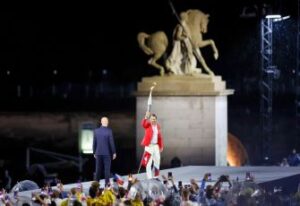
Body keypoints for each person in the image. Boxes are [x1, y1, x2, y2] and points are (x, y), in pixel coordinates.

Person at [93, 116, 117, 185]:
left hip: (98, 152)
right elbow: (111, 142)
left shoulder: (96, 131)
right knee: (107, 171)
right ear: (107, 122)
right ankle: (107, 186)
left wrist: (94, 152)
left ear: (101, 122)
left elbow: (94, 142)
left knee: (98, 170)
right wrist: (114, 152)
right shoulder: (109, 131)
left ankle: (95, 186)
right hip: (107, 153)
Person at [141, 111, 164, 179]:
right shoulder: (147, 125)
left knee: (157, 161)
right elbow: (143, 124)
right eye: (152, 119)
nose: (153, 120)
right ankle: (149, 178)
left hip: (156, 146)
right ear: (150, 119)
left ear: (156, 119)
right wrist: (146, 117)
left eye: (154, 119)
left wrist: (161, 146)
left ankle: (156, 176)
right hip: (149, 146)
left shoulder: (158, 126)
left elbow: (159, 137)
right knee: (148, 163)